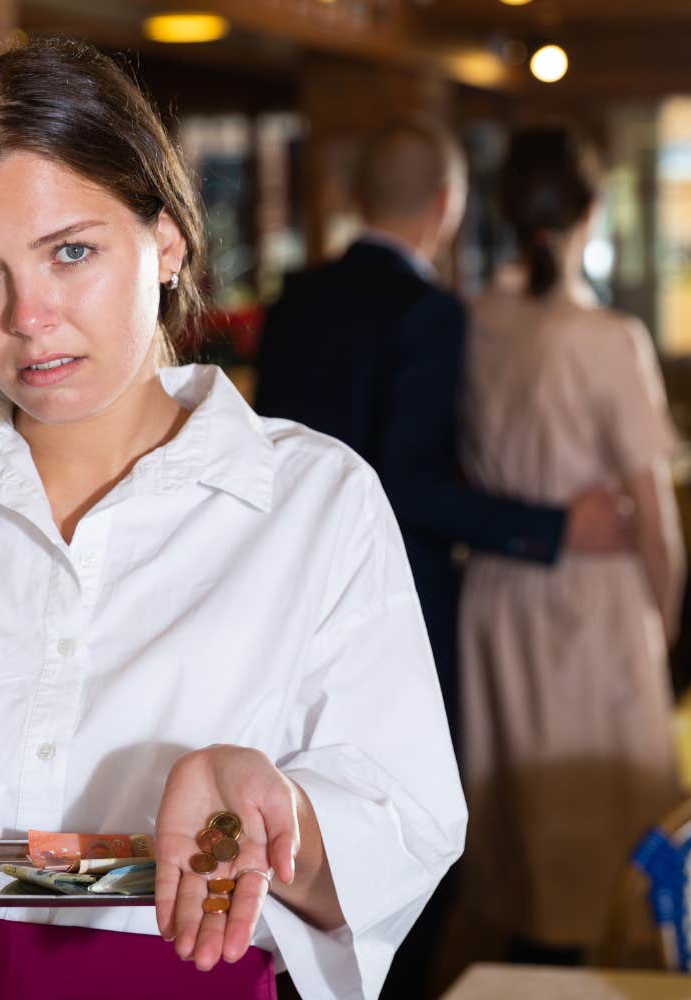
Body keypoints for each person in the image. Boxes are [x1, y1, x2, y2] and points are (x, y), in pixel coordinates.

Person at [0, 38, 465, 1000]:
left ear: (166, 242)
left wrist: (272, 817)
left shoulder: (312, 499)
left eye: (72, 252)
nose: (28, 316)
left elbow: (406, 829)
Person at [255, 118, 629, 752]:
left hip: (287, 583)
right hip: (396, 595)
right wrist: (555, 527)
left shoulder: (295, 300)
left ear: (357, 196)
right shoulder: (430, 312)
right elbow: (411, 486)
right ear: (448, 203)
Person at [458, 125, 686, 964]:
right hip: (593, 607)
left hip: (497, 593)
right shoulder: (607, 338)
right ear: (592, 209)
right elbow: (655, 521)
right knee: (609, 842)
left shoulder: (476, 321)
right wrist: (665, 627)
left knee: (524, 835)